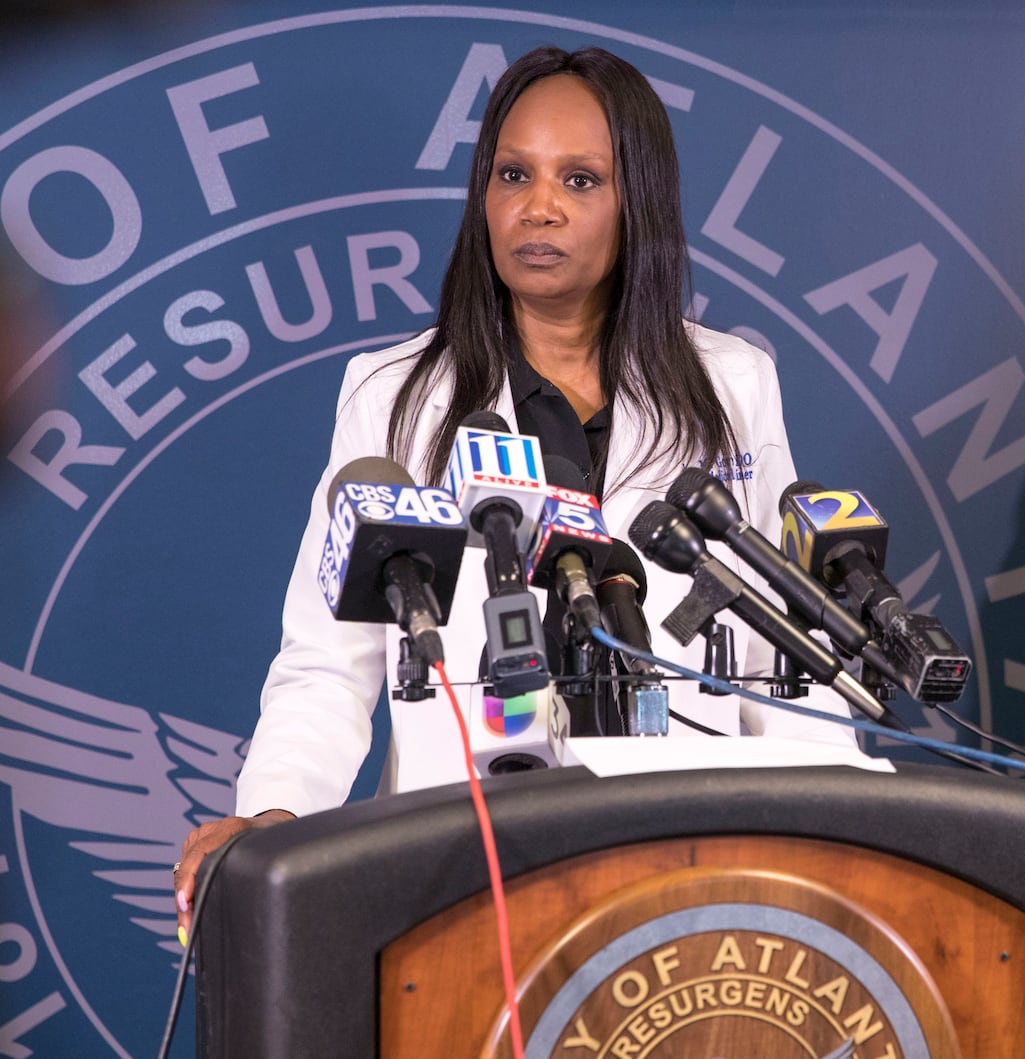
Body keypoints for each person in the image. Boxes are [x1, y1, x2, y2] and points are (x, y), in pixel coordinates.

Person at [173, 46, 854, 939]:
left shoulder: (733, 385)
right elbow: (328, 666)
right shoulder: (394, 396)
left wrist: (835, 839)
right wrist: (272, 819)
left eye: (579, 179)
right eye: (512, 174)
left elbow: (778, 650)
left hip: (694, 869)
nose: (539, 207)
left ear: (635, 203)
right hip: (462, 873)